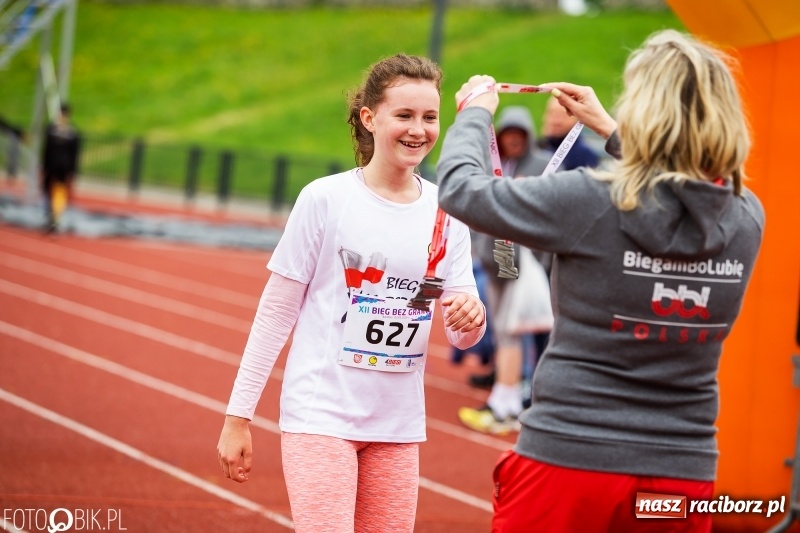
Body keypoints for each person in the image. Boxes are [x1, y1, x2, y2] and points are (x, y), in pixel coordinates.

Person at [436, 29, 764, 532]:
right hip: (681, 474)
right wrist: (610, 130)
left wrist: (475, 114)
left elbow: (461, 191)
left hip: (568, 459)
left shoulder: (592, 201)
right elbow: (677, 189)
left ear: (645, 110)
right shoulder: (745, 218)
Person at [216, 53, 486, 533]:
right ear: (370, 117)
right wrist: (239, 416)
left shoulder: (448, 213)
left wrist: (472, 317)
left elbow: (463, 336)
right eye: (404, 115)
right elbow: (276, 313)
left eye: (429, 117)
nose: (418, 130)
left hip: (397, 425)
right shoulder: (326, 199)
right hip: (322, 415)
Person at [458, 106, 554, 435]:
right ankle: (505, 398)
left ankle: (506, 404)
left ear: (527, 137)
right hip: (493, 255)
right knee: (502, 331)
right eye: (508, 135)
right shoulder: (491, 165)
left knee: (511, 331)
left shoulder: (543, 167)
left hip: (522, 259)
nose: (513, 141)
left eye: (519, 135)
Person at [40, 102, 81, 232]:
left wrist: (73, 171)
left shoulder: (71, 133)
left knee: (59, 191)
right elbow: (46, 149)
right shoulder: (53, 130)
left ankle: (55, 217)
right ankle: (51, 214)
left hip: (61, 168)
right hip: (53, 166)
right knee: (48, 191)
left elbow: (74, 153)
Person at [538, 93, 599, 171]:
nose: (556, 121)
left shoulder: (584, 155)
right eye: (551, 114)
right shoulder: (535, 149)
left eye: (563, 115)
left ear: (577, 119)